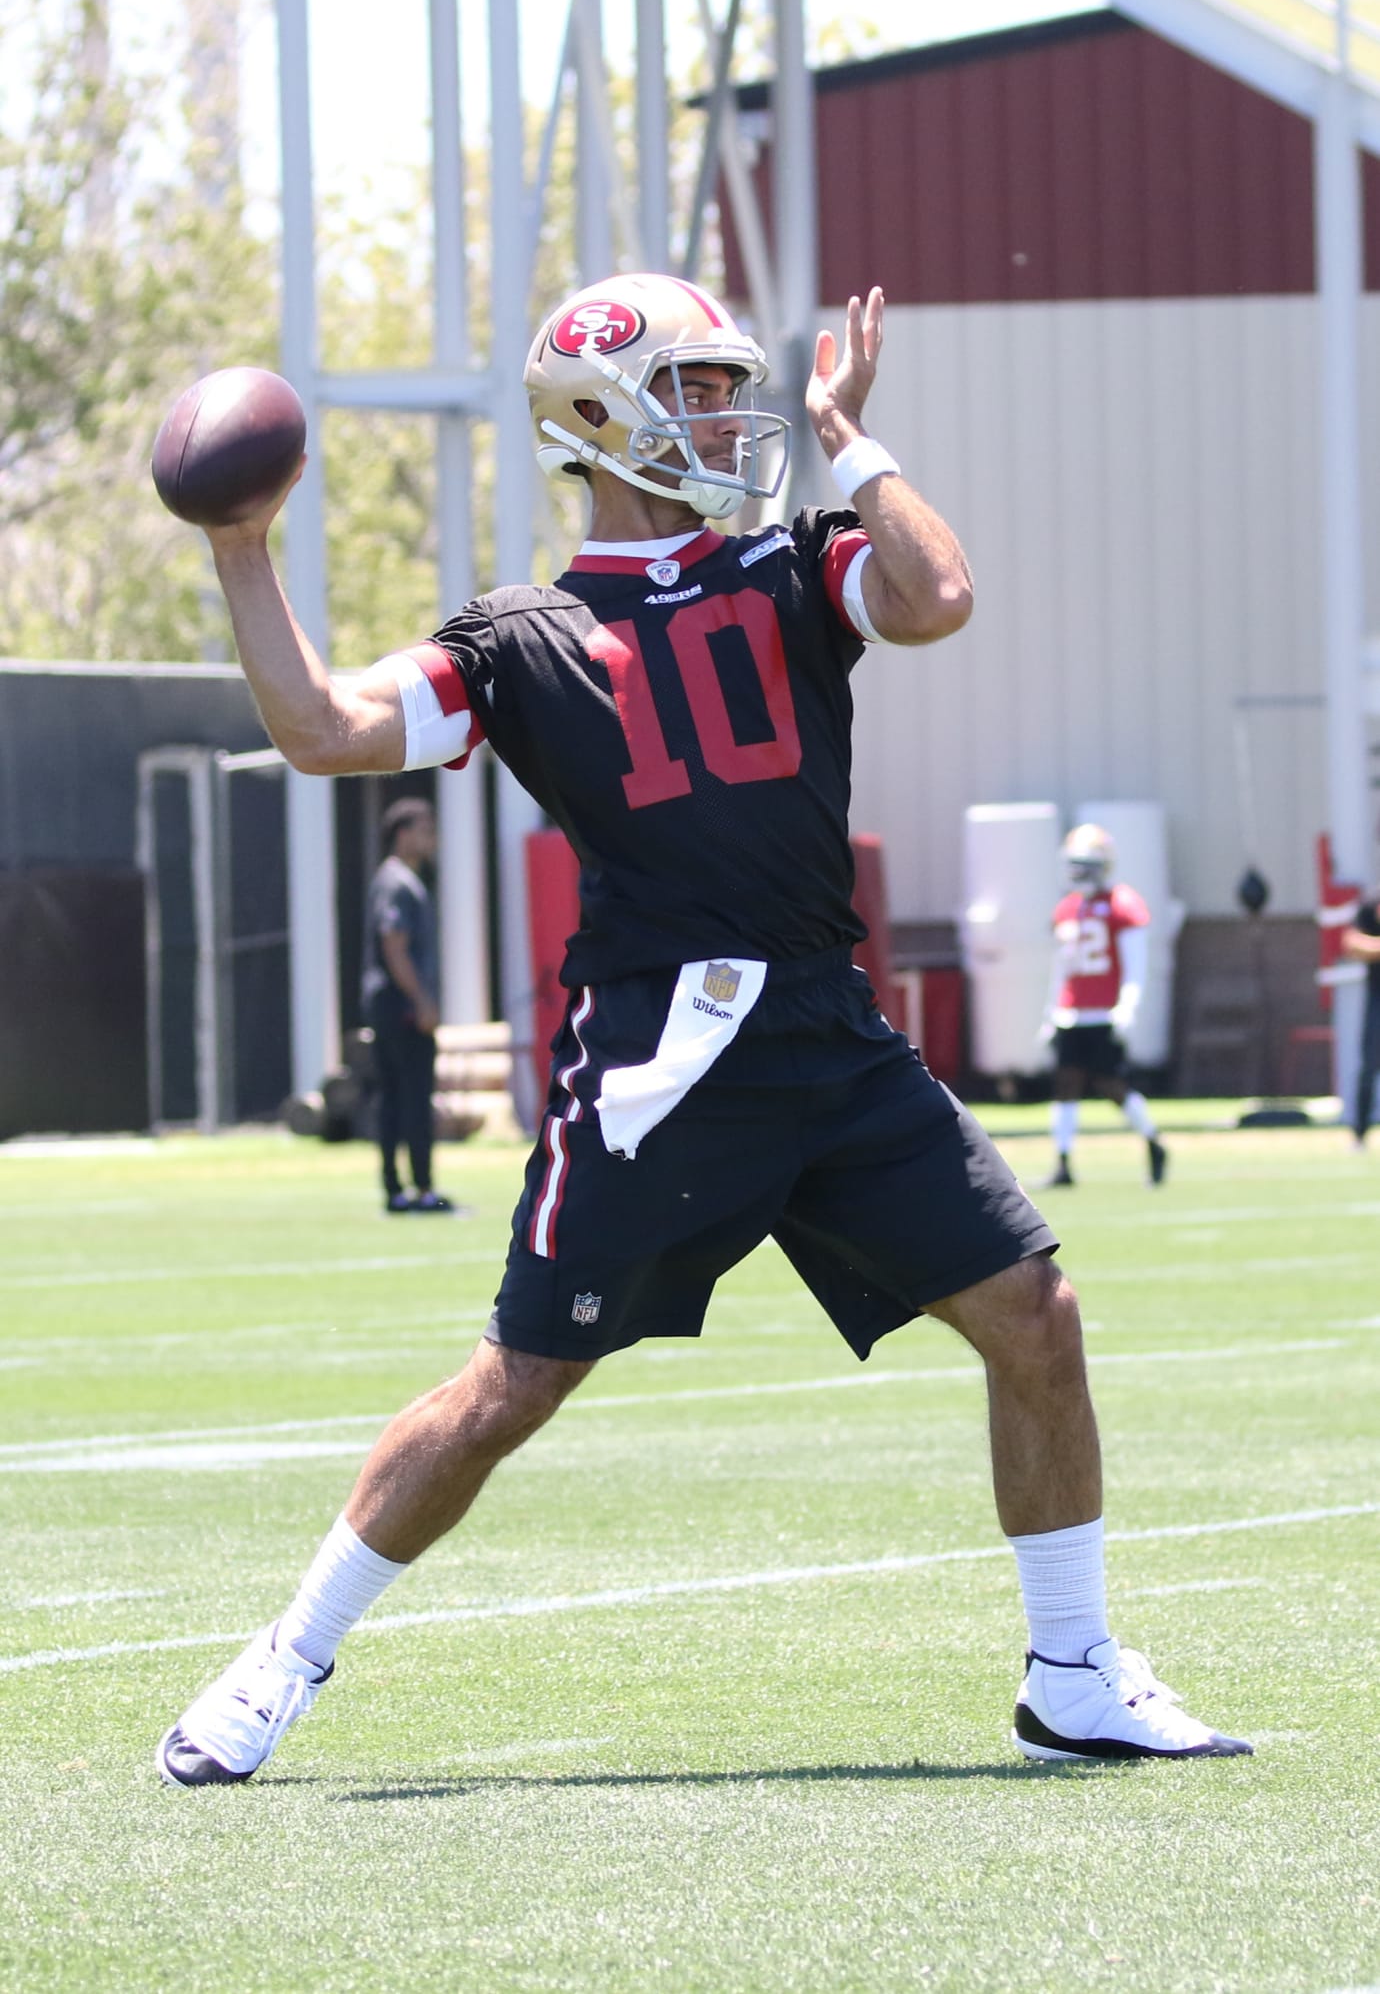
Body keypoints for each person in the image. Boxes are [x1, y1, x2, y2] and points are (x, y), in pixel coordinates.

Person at [155, 274, 1248, 1787]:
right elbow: (327, 728)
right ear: (602, 420)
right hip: (664, 1056)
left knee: (1034, 1318)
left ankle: (1074, 1671)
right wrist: (242, 550)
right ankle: (284, 1659)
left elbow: (936, 596)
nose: (736, 415)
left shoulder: (794, 569)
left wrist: (855, 438)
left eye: (735, 387)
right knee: (508, 1389)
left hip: (828, 1025)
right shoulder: (521, 637)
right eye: (701, 388)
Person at [1041, 824, 1168, 1190]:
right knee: (1065, 1084)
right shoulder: (1067, 909)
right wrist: (1050, 1012)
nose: (1079, 872)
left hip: (1103, 1012)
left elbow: (1135, 963)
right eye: (1075, 864)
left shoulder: (1122, 904)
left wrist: (1128, 1006)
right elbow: (1060, 967)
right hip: (1071, 1011)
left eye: (1086, 864)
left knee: (1112, 1084)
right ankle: (1063, 1164)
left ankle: (1154, 1141)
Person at [361, 797, 454, 1214]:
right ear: (402, 833)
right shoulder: (398, 882)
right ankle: (418, 1188)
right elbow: (394, 946)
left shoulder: (401, 879)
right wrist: (422, 1001)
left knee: (398, 1098)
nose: (431, 837)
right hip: (400, 1005)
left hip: (391, 1003)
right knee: (411, 1096)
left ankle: (398, 1187)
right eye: (424, 828)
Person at [1341, 889, 1380, 1145]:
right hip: (1377, 999)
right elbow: (1352, 943)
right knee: (1369, 1066)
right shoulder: (1368, 909)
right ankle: (1359, 1134)